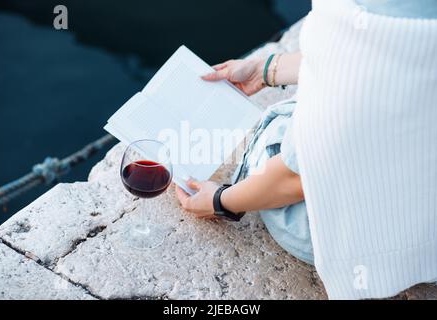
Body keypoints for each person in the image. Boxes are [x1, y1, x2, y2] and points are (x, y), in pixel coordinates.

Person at [176, 0, 437, 299]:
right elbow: (376, 59)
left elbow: (302, 176)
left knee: (273, 140)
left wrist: (221, 201)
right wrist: (265, 69)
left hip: (374, 235)